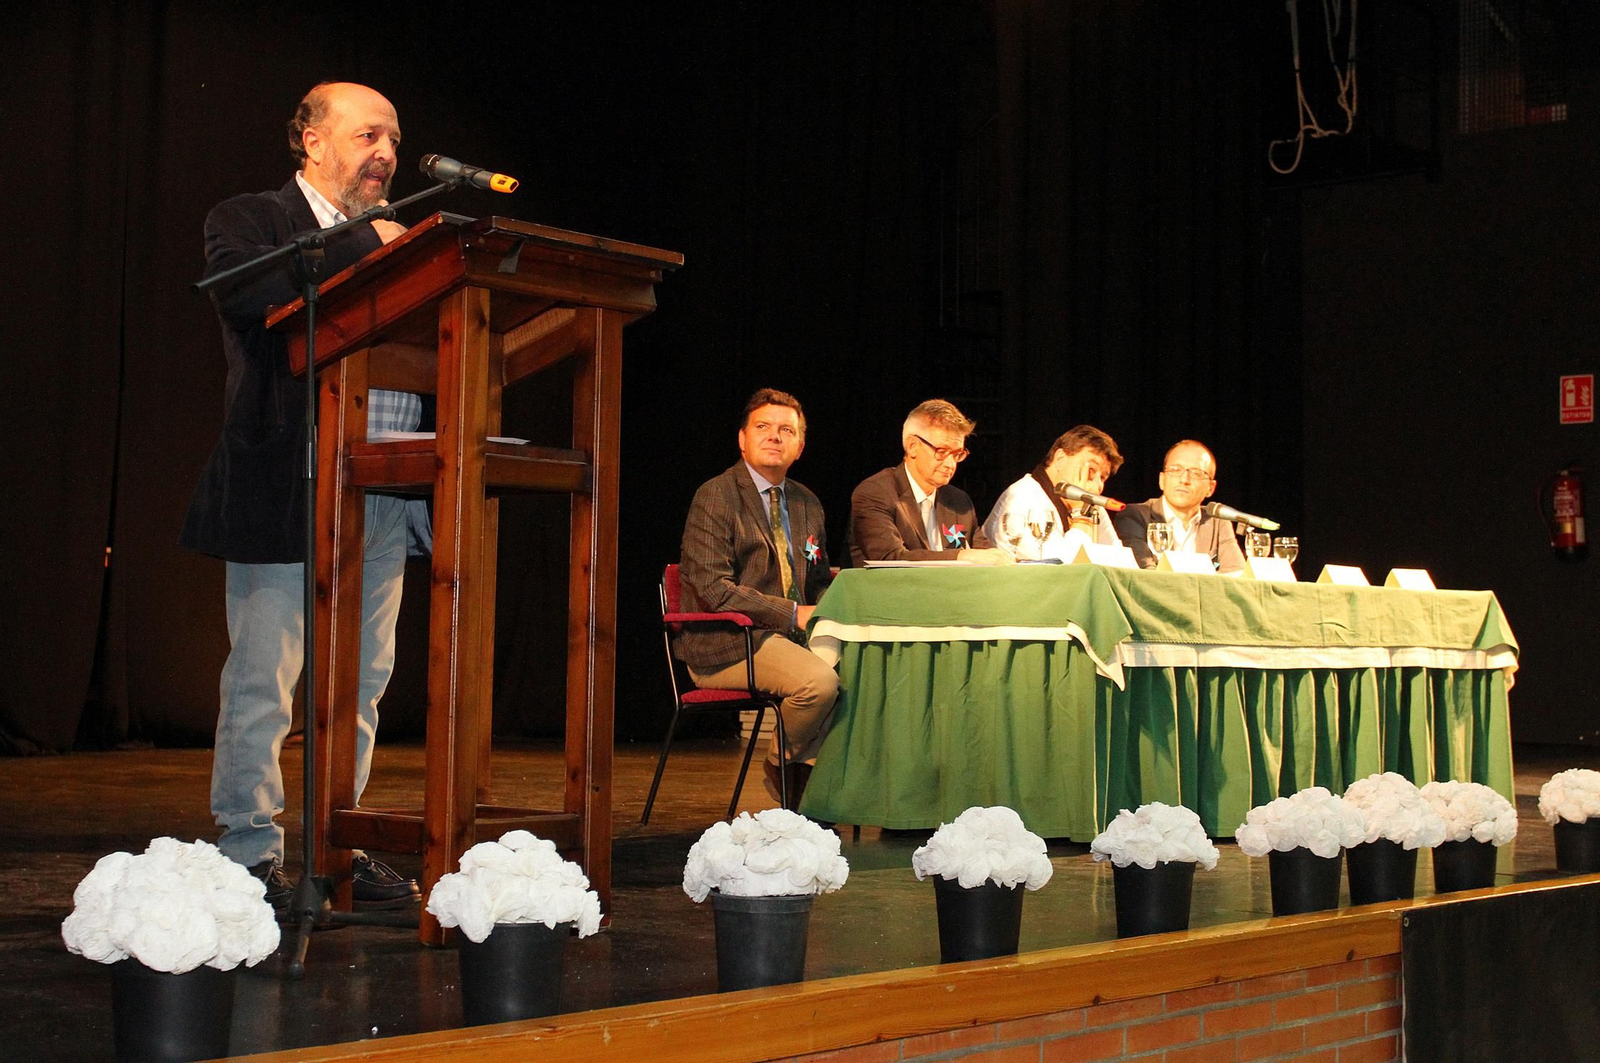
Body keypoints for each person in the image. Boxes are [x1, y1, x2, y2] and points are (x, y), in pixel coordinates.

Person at [181, 82, 420, 911]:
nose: (385, 151)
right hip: (288, 482)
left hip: (384, 487)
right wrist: (373, 252)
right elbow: (247, 295)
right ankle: (250, 853)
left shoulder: (408, 236)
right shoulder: (251, 220)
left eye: (392, 137)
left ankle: (337, 846)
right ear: (312, 142)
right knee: (264, 682)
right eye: (366, 135)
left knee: (361, 683)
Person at [677, 389, 839, 811]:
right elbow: (713, 589)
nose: (774, 437)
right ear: (742, 439)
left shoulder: (807, 502)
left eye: (787, 430)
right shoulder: (716, 496)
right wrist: (792, 613)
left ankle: (818, 793)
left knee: (866, 672)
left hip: (791, 637)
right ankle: (781, 763)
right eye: (763, 427)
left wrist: (836, 612)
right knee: (818, 683)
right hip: (727, 642)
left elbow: (818, 579)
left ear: (800, 446)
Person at [848, 399, 1013, 567]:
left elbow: (983, 555)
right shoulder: (876, 493)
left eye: (957, 454)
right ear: (912, 446)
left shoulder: (958, 500)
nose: (951, 464)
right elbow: (890, 559)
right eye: (942, 452)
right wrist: (960, 556)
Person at [982, 425, 1125, 562]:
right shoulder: (1023, 497)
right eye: (1090, 470)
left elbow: (1119, 562)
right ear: (1060, 459)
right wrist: (1080, 514)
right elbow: (1063, 568)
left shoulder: (1090, 504)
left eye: (1102, 478)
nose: (1096, 486)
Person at [1113, 439, 1246, 574]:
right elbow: (1145, 574)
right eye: (1175, 470)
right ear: (1162, 480)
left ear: (1210, 488)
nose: (1184, 480)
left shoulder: (1217, 521)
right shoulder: (1134, 516)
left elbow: (1236, 573)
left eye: (1196, 473)